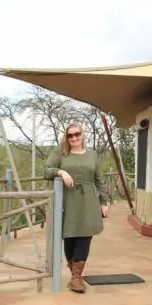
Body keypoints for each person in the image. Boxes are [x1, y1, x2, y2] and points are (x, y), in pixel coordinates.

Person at [44, 123, 109, 293]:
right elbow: (47, 170)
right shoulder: (60, 153)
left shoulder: (92, 155)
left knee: (85, 236)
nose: (74, 138)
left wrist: (104, 202)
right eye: (70, 135)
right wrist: (61, 173)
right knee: (69, 236)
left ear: (82, 134)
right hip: (67, 200)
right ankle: (75, 275)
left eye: (77, 134)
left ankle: (76, 278)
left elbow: (99, 179)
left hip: (89, 200)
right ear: (66, 137)